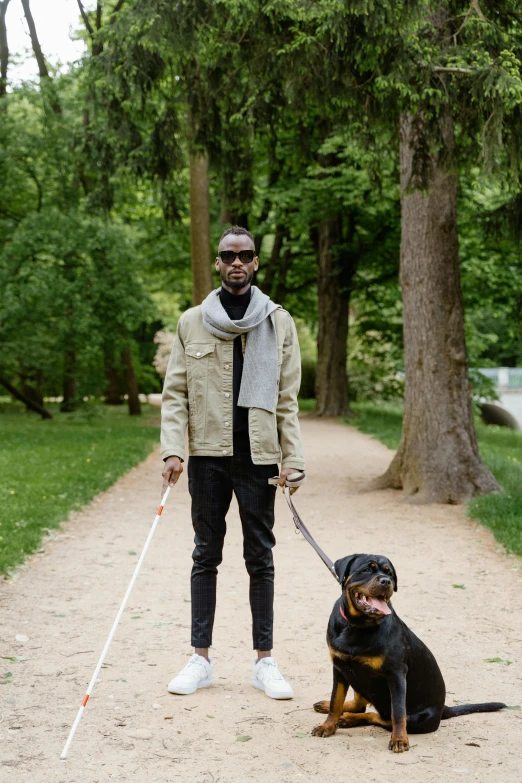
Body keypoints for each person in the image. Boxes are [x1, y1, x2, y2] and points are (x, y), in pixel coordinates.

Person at [160, 225, 305, 700]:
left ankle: (265, 662)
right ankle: (200, 658)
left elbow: (287, 399)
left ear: (256, 263)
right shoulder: (192, 321)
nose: (236, 262)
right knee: (206, 554)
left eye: (244, 255)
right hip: (206, 457)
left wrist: (294, 459)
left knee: (259, 557)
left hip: (258, 457)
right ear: (218, 263)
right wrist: (173, 449)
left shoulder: (278, 322)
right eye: (228, 255)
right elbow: (175, 394)